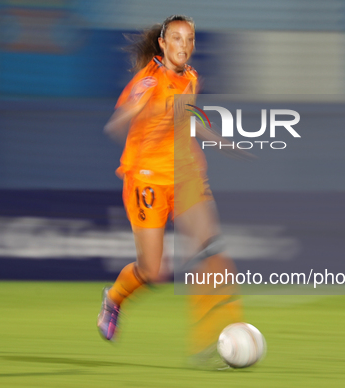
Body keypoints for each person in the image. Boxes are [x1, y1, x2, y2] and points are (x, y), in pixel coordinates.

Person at [98, 15, 242, 368]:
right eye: (176, 38)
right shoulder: (148, 81)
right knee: (152, 271)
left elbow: (187, 118)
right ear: (162, 43)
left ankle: (213, 338)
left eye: (189, 39)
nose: (183, 45)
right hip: (146, 179)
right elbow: (116, 123)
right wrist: (136, 109)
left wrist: (220, 141)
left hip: (185, 176)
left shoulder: (191, 78)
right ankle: (115, 298)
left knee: (211, 249)